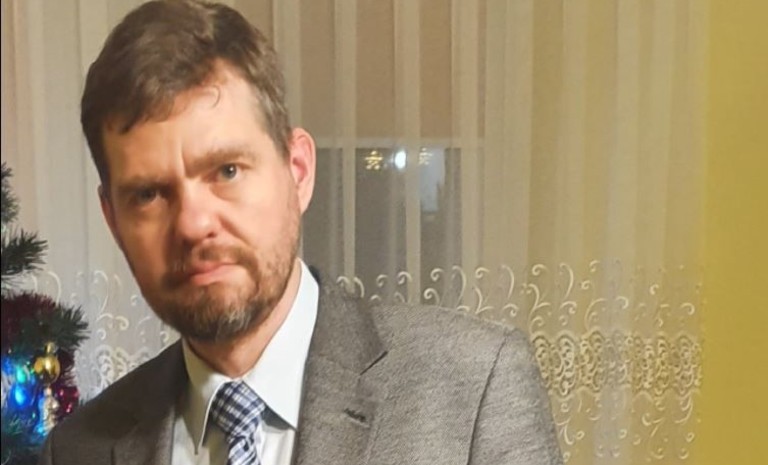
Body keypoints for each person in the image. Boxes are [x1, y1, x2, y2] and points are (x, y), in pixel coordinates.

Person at [40, 1, 562, 464]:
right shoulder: (79, 451)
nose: (194, 224)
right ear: (114, 219)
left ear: (299, 171)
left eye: (226, 171)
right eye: (149, 195)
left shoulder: (474, 390)